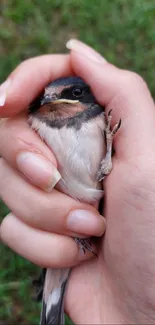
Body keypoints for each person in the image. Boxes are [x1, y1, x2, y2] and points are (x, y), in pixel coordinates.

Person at [0, 39, 155, 324]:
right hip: (74, 230)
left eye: (71, 93)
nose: (50, 100)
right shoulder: (36, 121)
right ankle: (51, 299)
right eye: (44, 97)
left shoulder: (101, 119)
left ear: (85, 98)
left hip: (96, 226)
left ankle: (52, 299)